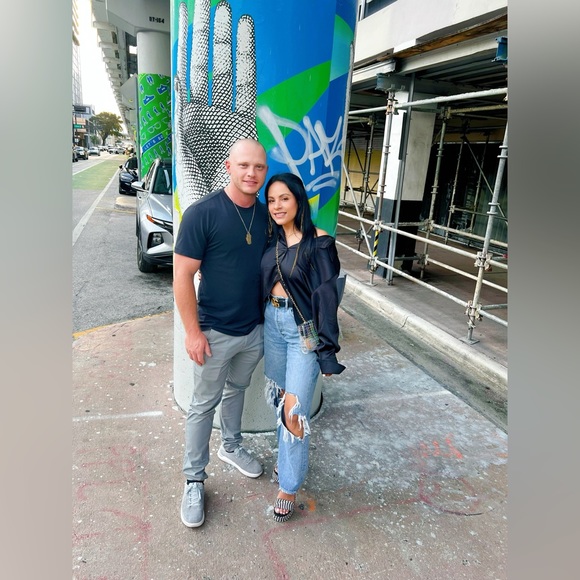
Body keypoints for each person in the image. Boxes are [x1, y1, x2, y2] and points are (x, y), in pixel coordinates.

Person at [173, 138, 269, 528]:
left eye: (259, 167)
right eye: (244, 165)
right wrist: (192, 333)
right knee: (202, 406)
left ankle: (231, 446)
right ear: (228, 167)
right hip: (213, 333)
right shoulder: (203, 213)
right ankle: (194, 480)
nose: (251, 173)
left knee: (237, 389)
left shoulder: (266, 215)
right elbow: (182, 276)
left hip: (254, 330)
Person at [261, 172, 346, 523]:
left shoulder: (319, 243)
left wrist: (327, 351)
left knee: (294, 412)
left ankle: (289, 486)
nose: (277, 206)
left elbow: (327, 300)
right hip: (271, 323)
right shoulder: (270, 239)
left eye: (284, 198)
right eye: (271, 200)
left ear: (298, 200)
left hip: (302, 331)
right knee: (282, 399)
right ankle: (285, 463)